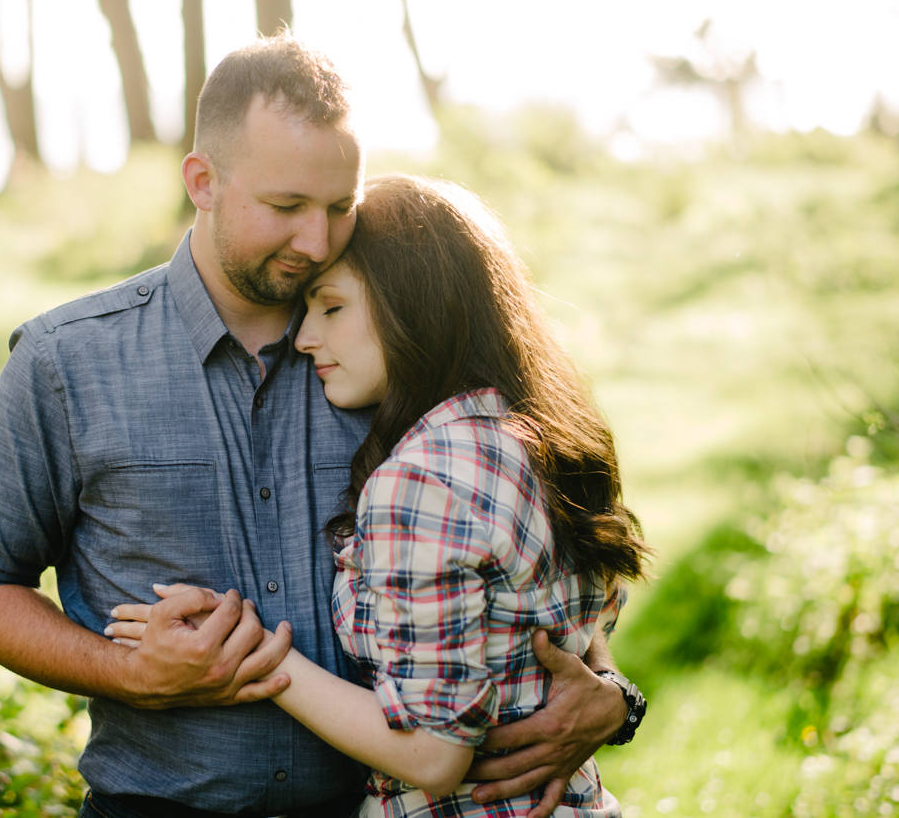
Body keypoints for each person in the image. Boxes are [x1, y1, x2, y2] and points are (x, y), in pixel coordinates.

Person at [0, 36, 633, 818]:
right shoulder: (66, 363)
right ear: (203, 182)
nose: (316, 240)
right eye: (285, 207)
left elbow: (522, 558)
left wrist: (608, 693)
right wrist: (127, 672)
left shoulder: (386, 350)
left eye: (340, 206)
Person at [108, 174, 653, 817]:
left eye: (331, 307)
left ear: (413, 305)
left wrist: (251, 652)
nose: (305, 337)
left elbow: (432, 756)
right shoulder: (544, 439)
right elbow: (565, 638)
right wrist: (617, 696)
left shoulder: (421, 479)